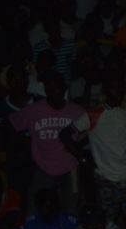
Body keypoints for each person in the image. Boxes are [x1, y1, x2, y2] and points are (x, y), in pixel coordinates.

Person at [68, 77, 126, 229]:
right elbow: (65, 135)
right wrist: (82, 157)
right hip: (106, 177)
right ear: (106, 91)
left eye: (121, 88)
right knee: (109, 223)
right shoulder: (93, 114)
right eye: (114, 88)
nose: (118, 92)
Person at [11, 71, 84, 214]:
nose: (53, 93)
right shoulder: (34, 110)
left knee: (71, 208)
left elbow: (86, 137)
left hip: (70, 168)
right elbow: (11, 125)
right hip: (43, 167)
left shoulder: (77, 111)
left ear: (64, 88)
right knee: (35, 208)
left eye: (56, 89)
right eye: (49, 90)